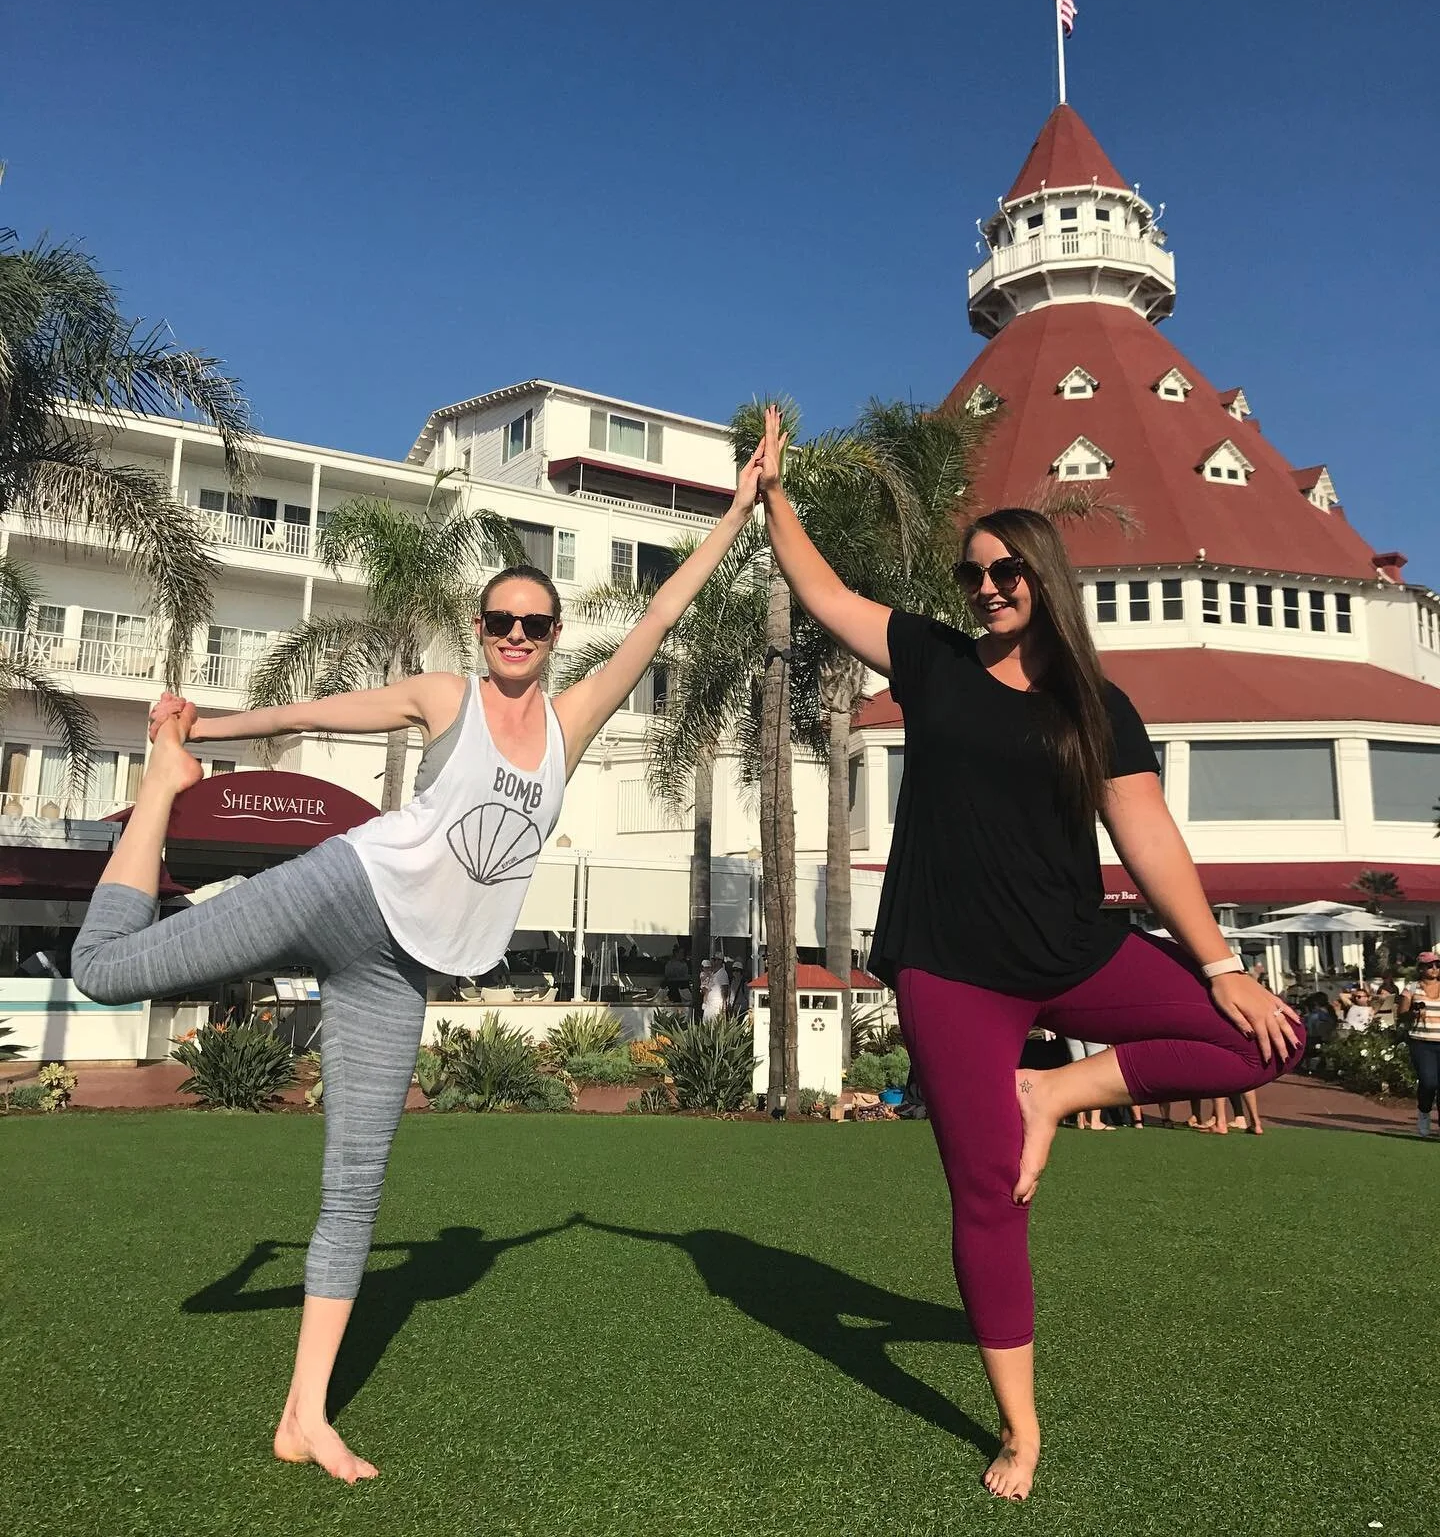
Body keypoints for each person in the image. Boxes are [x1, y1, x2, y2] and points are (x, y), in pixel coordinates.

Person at [68, 445, 765, 1484]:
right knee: (107, 971)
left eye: (535, 623)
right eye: (501, 623)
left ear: (555, 637)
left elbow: (660, 615)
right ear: (482, 636)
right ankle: (161, 790)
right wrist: (201, 734)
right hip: (345, 889)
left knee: (356, 1187)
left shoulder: (571, 728)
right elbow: (314, 713)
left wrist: (743, 506)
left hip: (398, 972)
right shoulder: (450, 698)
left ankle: (305, 1415)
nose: (518, 636)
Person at [753, 405, 1303, 1503]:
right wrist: (773, 494)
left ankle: (1054, 1093)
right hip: (953, 969)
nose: (989, 587)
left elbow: (1148, 841)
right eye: (973, 575)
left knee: (1269, 1044)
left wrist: (1222, 964)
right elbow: (820, 593)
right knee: (988, 1195)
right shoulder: (935, 661)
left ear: (1045, 576)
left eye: (1007, 571)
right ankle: (1020, 1427)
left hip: (1070, 949)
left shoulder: (1099, 705)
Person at [1398, 951, 1440, 1138]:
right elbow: (1401, 1013)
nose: (1434, 969)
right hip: (1422, 1043)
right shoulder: (1412, 988)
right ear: (1421, 968)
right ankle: (1424, 1112)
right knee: (1429, 1082)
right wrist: (1413, 1012)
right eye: (1430, 965)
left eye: (1437, 965)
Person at [701, 953, 730, 1022]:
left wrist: (724, 1005)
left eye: (715, 959)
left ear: (720, 961)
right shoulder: (711, 973)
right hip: (708, 1004)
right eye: (712, 959)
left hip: (717, 1005)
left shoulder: (723, 973)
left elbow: (725, 990)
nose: (713, 961)